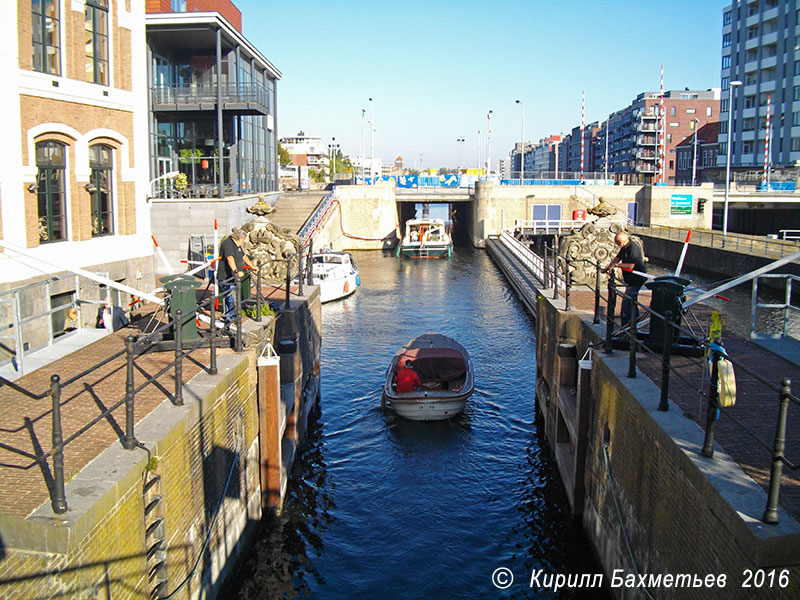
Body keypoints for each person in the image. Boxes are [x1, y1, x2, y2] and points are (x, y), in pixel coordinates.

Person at [602, 231, 647, 330]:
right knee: (631, 303)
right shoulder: (625, 247)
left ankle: (628, 327)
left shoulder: (633, 249)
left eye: (618, 243)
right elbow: (617, 258)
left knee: (627, 304)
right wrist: (608, 267)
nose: (618, 246)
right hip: (630, 280)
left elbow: (631, 265)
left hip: (636, 279)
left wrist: (616, 266)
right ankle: (632, 325)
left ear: (621, 242)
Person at [218, 229, 256, 321]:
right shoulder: (228, 244)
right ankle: (229, 319)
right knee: (230, 298)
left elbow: (243, 256)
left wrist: (252, 266)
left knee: (231, 298)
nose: (243, 242)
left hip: (233, 277)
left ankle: (229, 318)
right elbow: (230, 258)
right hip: (226, 276)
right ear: (239, 239)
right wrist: (236, 271)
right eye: (243, 240)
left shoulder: (237, 246)